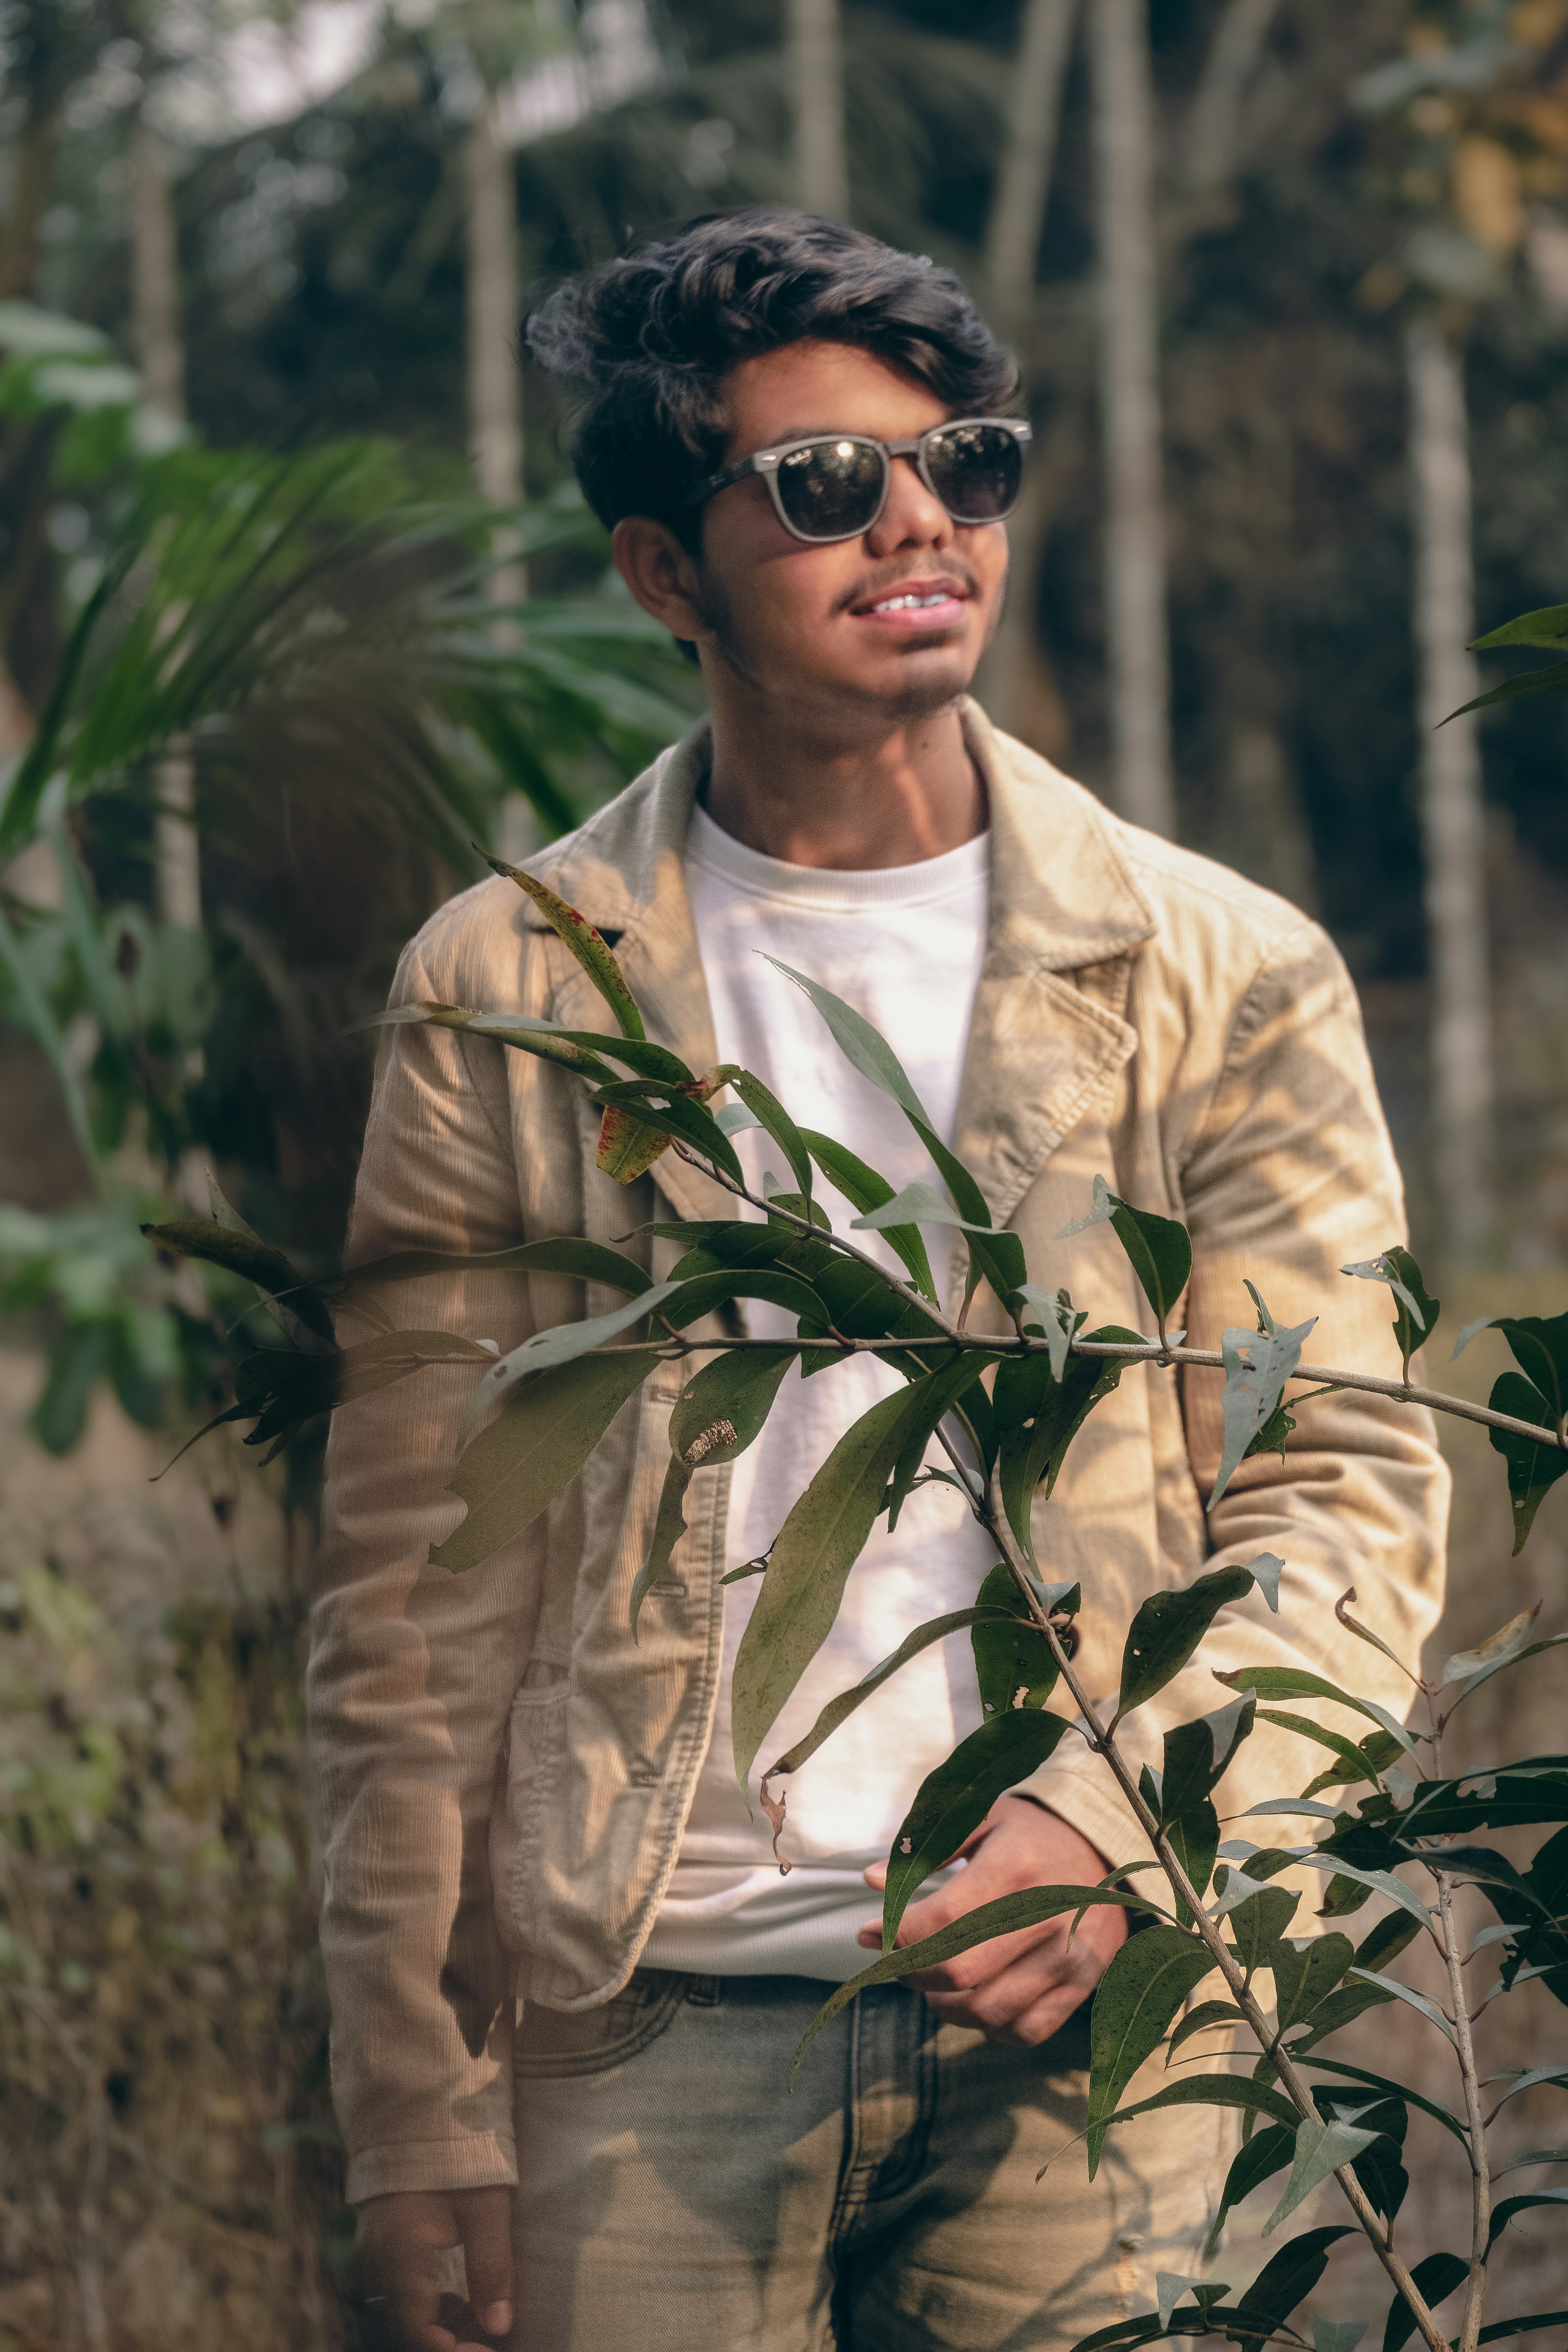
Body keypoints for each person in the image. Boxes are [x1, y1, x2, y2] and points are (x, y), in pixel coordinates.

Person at [311, 208, 1448, 2352]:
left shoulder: (1223, 973)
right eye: (828, 485)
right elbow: (410, 1588)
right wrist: (414, 2106)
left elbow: (1347, 1486)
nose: (919, 524)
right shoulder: (510, 989)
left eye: (968, 464)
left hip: (1090, 2003)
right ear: (667, 571)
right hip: (640, 2020)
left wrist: (1119, 1821)